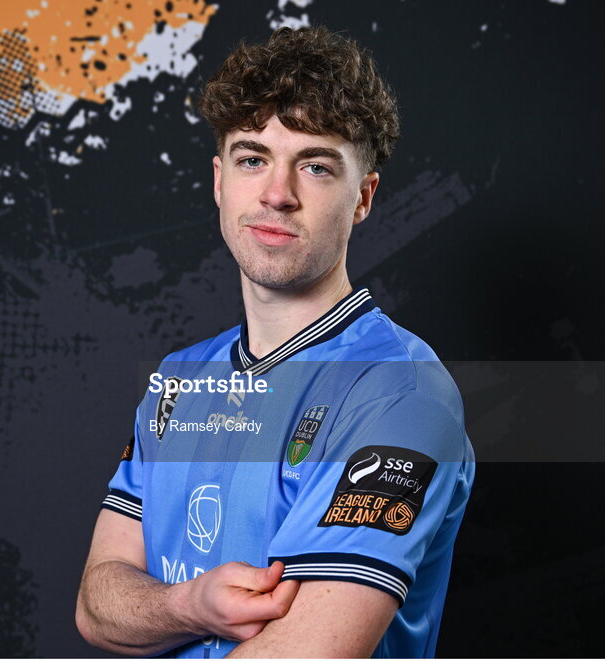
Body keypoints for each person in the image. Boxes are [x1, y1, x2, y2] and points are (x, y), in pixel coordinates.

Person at [76, 25, 475, 658]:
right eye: (252, 158)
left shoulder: (402, 396)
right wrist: (189, 603)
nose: (276, 194)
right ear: (219, 179)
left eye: (315, 166)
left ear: (363, 198)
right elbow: (98, 606)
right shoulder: (181, 379)